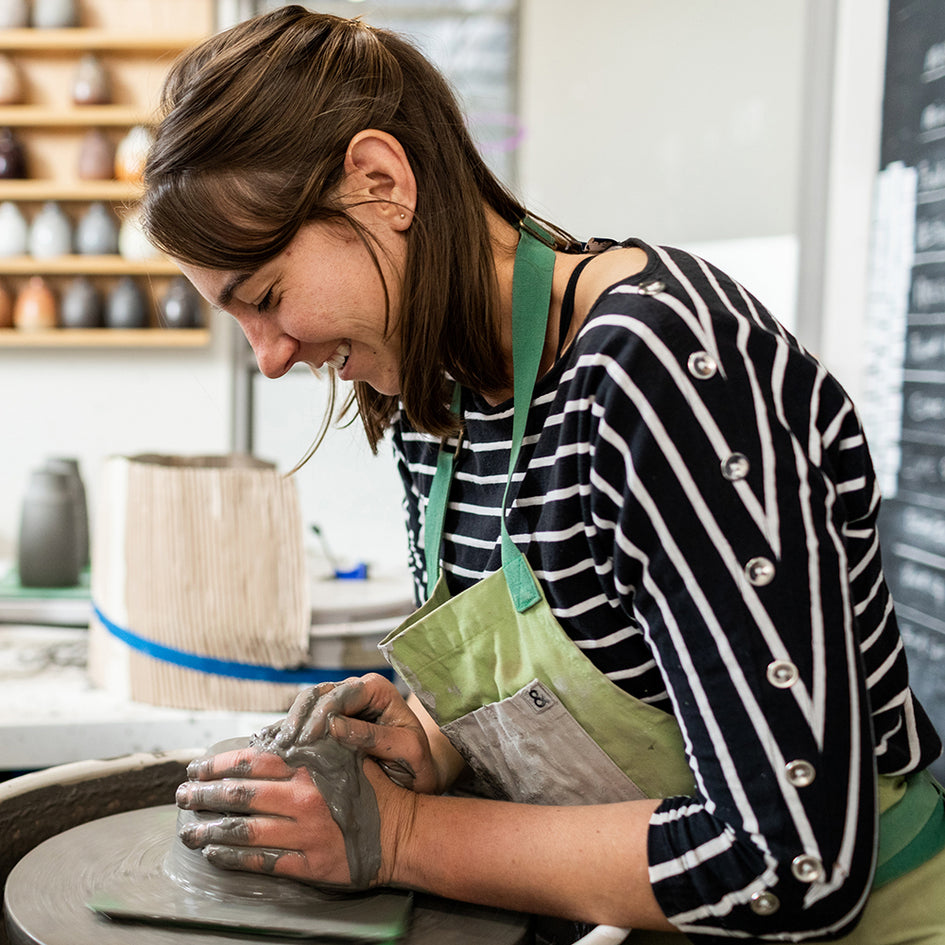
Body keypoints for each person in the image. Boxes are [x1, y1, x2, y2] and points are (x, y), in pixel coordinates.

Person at [143, 6, 945, 943]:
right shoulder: (433, 398)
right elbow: (618, 666)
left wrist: (399, 833)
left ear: (380, 183)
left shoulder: (658, 372)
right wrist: (431, 742)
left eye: (269, 296)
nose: (270, 358)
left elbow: (793, 865)